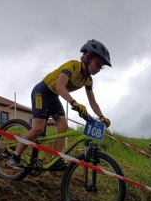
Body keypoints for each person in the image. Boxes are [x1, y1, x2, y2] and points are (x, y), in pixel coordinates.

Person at [7, 39, 112, 170]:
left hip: (53, 97)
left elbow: (92, 102)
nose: (99, 69)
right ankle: (14, 157)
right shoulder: (72, 67)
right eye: (98, 63)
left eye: (101, 66)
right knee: (38, 129)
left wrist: (102, 117)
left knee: (63, 126)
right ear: (87, 57)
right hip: (42, 91)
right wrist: (74, 103)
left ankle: (55, 158)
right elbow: (59, 86)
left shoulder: (88, 80)